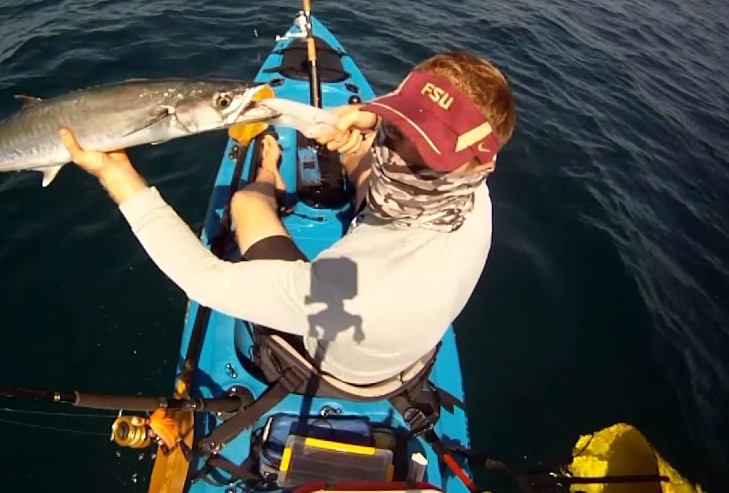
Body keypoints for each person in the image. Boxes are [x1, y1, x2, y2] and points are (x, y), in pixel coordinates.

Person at [58, 49, 516, 388]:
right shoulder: (477, 199)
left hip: (330, 364)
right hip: (409, 350)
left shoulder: (357, 290)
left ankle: (267, 173)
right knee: (360, 160)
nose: (391, 149)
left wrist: (116, 173)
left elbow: (204, 281)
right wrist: (369, 120)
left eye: (423, 149)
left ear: (478, 161)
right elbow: (402, 151)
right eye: (397, 125)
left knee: (247, 206)